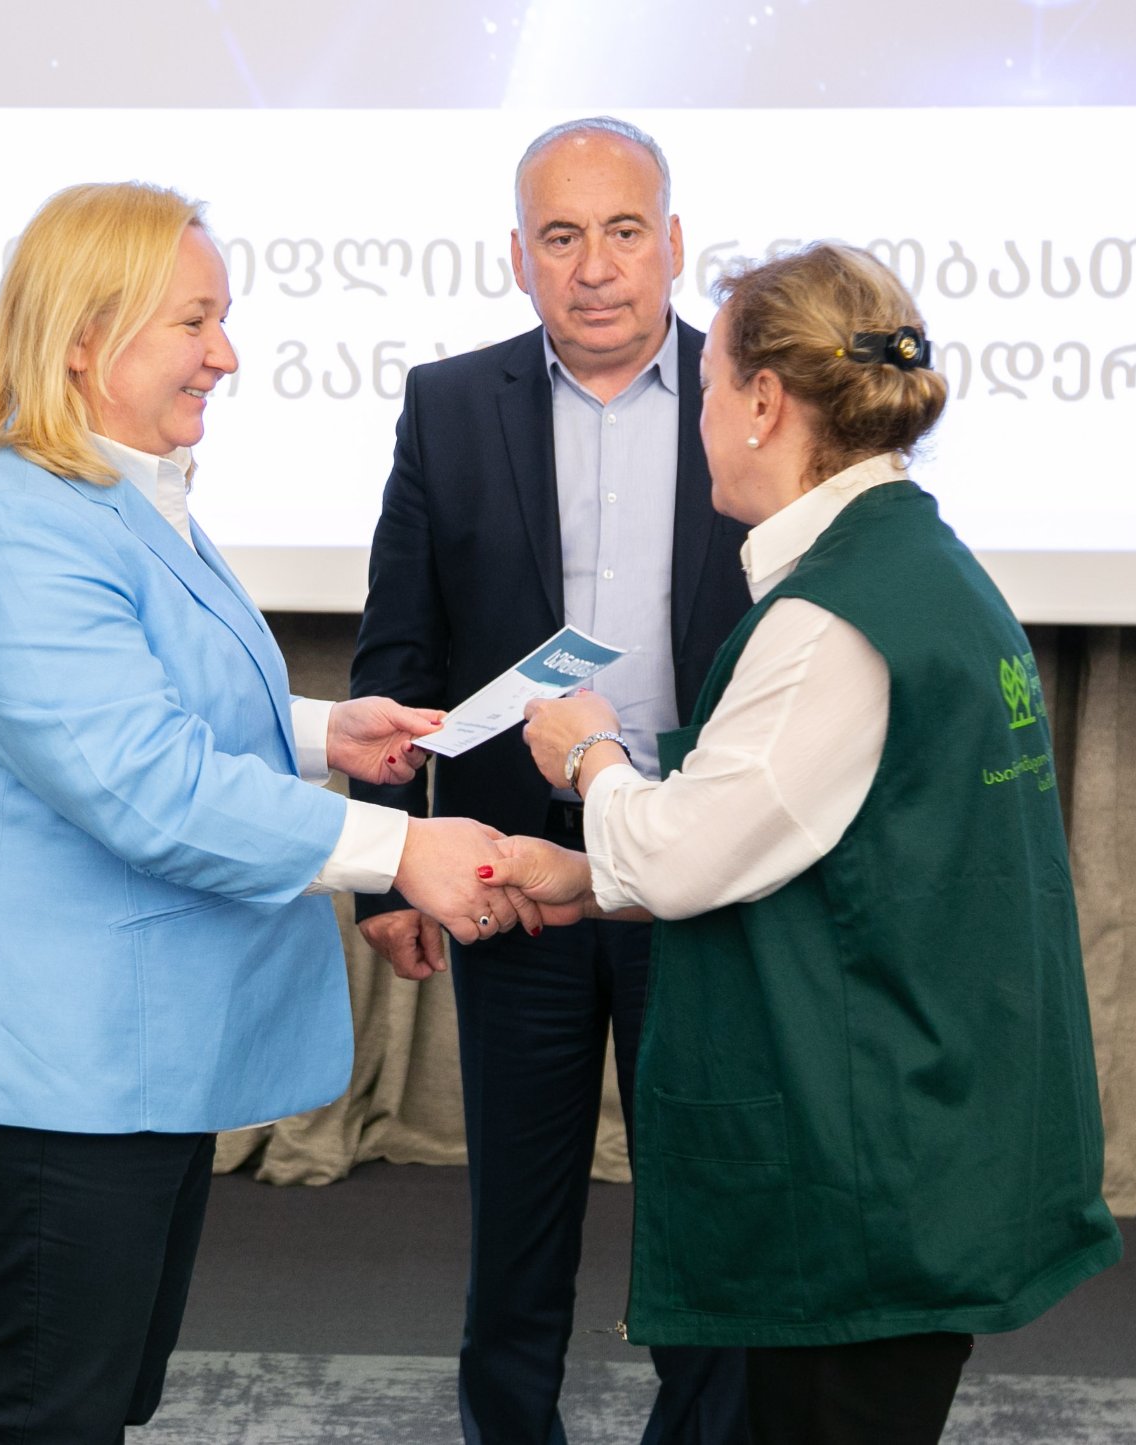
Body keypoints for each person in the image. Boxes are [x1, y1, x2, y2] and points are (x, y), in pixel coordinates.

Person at [0, 180, 532, 1445]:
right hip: (52, 1064)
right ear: (82, 336)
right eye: (193, 320)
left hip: (117, 1057)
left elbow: (138, 700)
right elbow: (142, 782)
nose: (224, 353)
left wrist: (322, 730)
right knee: (45, 1416)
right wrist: (400, 847)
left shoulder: (110, 493)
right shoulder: (16, 524)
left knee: (93, 1401)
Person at [481, 242, 1124, 1445]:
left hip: (860, 1170)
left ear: (764, 402)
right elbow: (806, 836)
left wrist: (586, 753)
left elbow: (683, 852)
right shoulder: (919, 566)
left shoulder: (831, 616)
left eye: (706, 385)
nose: (698, 418)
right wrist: (582, 877)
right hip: (919, 1134)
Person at [350, 118, 754, 1445]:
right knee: (518, 1224)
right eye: (562, 236)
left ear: (673, 244)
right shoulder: (449, 407)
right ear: (517, 256)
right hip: (511, 871)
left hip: (695, 870)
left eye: (623, 231)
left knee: (706, 1212)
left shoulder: (751, 399)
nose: (594, 267)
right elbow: (397, 651)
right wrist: (386, 870)